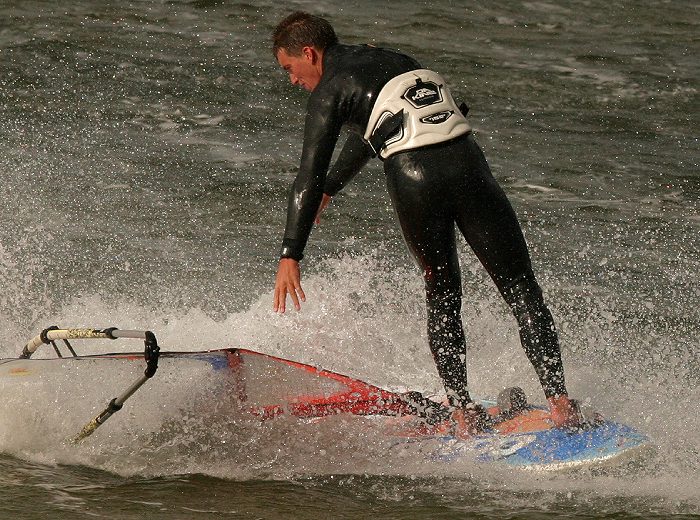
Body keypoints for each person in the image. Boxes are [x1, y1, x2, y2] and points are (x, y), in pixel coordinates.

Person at [270, 11, 580, 433]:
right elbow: (383, 126)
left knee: (443, 289)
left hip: (415, 175)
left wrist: (291, 253)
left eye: (290, 69)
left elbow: (307, 173)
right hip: (469, 165)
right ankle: (560, 403)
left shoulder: (330, 89)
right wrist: (332, 188)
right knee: (520, 284)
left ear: (309, 53)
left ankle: (462, 410)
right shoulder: (398, 61)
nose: (292, 80)